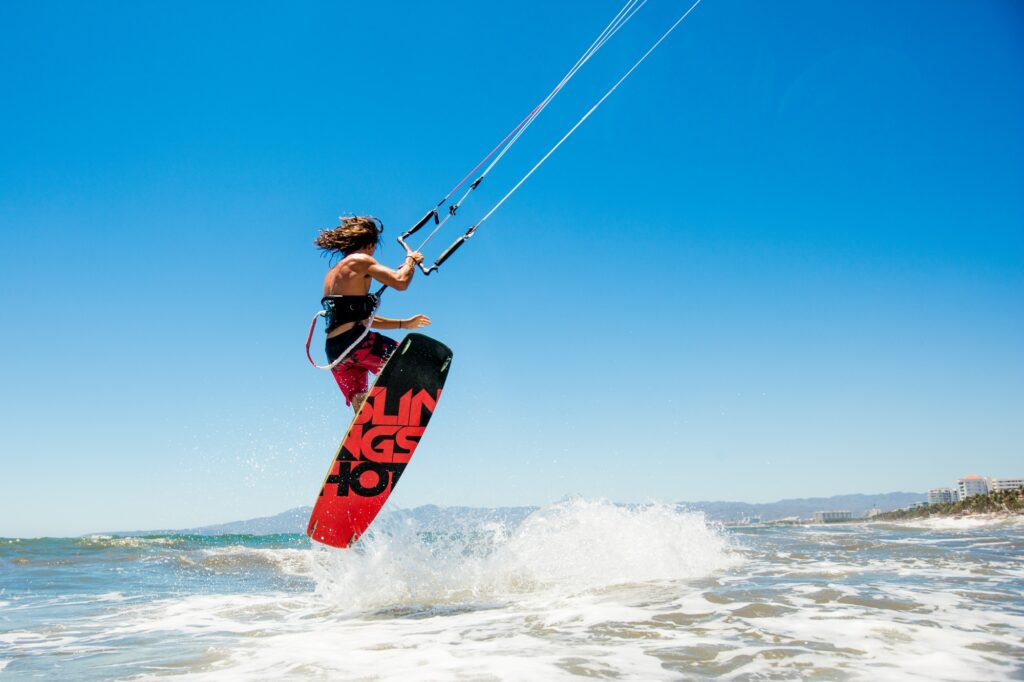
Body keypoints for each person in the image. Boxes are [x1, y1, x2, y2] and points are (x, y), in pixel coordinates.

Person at [314, 216, 431, 413]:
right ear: (370, 244)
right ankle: (394, 410)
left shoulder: (333, 273)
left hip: (336, 354)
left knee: (362, 408)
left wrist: (404, 323)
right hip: (358, 344)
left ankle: (370, 421)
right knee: (412, 364)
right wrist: (410, 262)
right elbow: (400, 282)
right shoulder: (360, 260)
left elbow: (362, 321)